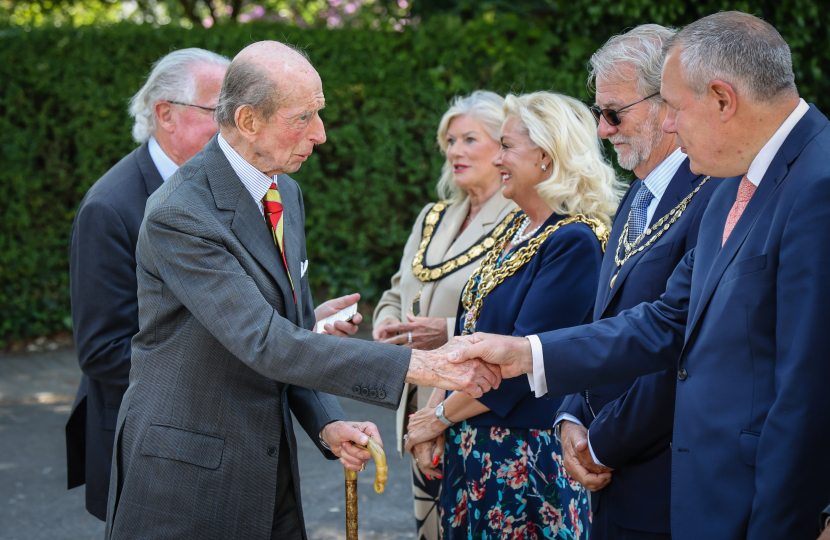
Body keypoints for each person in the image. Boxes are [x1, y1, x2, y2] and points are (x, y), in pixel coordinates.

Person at [452, 12, 830, 540]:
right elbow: (666, 320)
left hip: (756, 506)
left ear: (723, 99)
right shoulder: (730, 182)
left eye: (674, 108)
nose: (669, 125)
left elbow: (808, 391)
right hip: (699, 499)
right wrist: (529, 355)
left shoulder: (818, 183)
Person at [105, 41, 501, 540]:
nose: (321, 134)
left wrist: (326, 421)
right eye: (303, 117)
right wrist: (421, 364)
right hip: (189, 478)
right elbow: (266, 342)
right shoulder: (181, 213)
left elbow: (289, 331)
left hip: (268, 466)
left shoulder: (283, 189)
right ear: (248, 121)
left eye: (320, 113)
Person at [405, 91, 624, 539]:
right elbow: (469, 333)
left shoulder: (574, 242)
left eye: (506, 146)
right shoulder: (515, 227)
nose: (497, 158)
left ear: (545, 156)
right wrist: (432, 418)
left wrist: (439, 418)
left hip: (524, 456)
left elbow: (524, 364)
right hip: (474, 444)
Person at [554, 24, 731, 540]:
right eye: (597, 114)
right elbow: (601, 316)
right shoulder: (640, 189)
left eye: (614, 112)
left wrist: (602, 442)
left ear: (667, 105)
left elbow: (682, 351)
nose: (603, 130)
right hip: (612, 475)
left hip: (666, 481)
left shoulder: (714, 193)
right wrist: (570, 415)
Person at [64, 48, 230, 521]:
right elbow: (102, 351)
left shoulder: (223, 185)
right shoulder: (110, 208)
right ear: (166, 114)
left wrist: (292, 326)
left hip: (222, 444)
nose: (237, 126)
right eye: (219, 112)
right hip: (149, 451)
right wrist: (237, 359)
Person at [372, 90, 516, 540]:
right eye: (450, 141)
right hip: (418, 404)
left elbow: (519, 321)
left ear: (503, 146)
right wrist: (385, 321)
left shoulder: (522, 219)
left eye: (470, 139)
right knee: (428, 529)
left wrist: (447, 331)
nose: (455, 151)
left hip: (475, 407)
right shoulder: (432, 217)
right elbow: (398, 289)